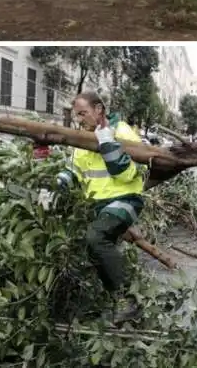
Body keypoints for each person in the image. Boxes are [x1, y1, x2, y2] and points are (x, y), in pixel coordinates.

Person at [55, 92, 146, 325]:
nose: (80, 119)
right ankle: (116, 301)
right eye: (77, 115)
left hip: (126, 198)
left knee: (96, 236)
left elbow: (127, 173)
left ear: (99, 109)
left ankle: (128, 300)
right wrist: (59, 184)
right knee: (92, 248)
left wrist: (107, 143)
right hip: (99, 203)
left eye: (83, 113)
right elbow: (76, 172)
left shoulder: (122, 131)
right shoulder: (81, 139)